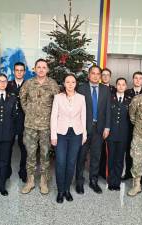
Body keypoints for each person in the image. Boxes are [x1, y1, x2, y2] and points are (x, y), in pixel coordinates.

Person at [20, 58, 59, 195]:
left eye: (44, 67)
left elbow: (57, 103)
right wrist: (29, 112)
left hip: (46, 126)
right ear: (34, 69)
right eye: (39, 67)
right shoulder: (28, 83)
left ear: (47, 69)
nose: (41, 69)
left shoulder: (53, 84)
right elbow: (22, 99)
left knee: (45, 154)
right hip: (30, 125)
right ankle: (30, 181)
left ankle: (43, 181)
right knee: (30, 154)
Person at [50, 74, 86, 203]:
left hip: (76, 134)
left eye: (73, 82)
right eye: (68, 82)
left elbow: (83, 117)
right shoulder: (58, 98)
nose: (70, 84)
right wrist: (53, 135)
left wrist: (84, 135)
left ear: (76, 84)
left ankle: (67, 190)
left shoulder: (81, 98)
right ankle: (60, 191)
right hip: (61, 134)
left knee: (71, 163)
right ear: (64, 84)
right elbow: (53, 117)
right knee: (60, 162)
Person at [75, 65, 111, 195]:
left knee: (96, 156)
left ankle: (93, 181)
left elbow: (107, 110)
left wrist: (107, 127)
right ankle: (79, 182)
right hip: (83, 129)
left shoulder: (105, 90)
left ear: (100, 76)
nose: (95, 76)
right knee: (81, 156)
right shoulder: (81, 88)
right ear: (89, 75)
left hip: (99, 129)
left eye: (98, 74)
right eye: (93, 73)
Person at [106, 78, 130, 191]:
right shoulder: (109, 98)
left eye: (123, 85)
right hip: (111, 134)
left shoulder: (129, 100)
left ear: (126, 87)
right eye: (119, 84)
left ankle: (117, 181)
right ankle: (111, 181)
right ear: (116, 86)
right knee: (111, 158)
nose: (121, 86)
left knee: (120, 159)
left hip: (123, 135)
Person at [6, 62, 27, 183]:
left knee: (24, 148)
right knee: (7, 147)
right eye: (17, 70)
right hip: (10, 121)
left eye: (21, 70)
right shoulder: (8, 85)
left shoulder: (29, 85)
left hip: (24, 121)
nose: (19, 72)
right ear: (14, 72)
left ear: (24, 72)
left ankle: (23, 171)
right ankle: (6, 171)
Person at [122, 71, 142, 180]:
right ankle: (128, 173)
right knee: (128, 150)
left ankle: (141, 176)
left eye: (140, 78)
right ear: (133, 79)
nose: (138, 80)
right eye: (136, 78)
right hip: (128, 127)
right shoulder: (126, 92)